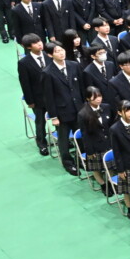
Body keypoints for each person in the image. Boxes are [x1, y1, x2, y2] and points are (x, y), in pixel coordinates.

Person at [44, 40, 84, 175]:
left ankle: (81, 159)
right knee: (64, 140)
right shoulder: (47, 72)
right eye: (57, 52)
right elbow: (49, 97)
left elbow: (81, 87)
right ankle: (68, 163)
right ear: (50, 55)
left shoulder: (74, 65)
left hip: (78, 108)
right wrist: (54, 116)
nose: (61, 53)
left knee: (81, 136)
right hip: (62, 112)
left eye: (62, 50)